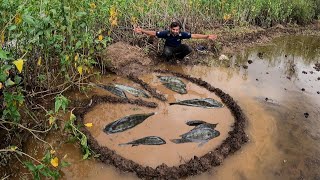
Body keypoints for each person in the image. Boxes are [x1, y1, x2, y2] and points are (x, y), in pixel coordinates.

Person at [133, 22, 217, 61]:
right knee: (167, 53)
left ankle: (179, 58)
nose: (175, 31)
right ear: (170, 29)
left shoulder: (181, 34)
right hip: (168, 48)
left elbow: (194, 35)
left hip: (177, 47)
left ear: (179, 29)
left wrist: (207, 36)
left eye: (177, 29)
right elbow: (154, 33)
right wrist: (142, 30)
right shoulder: (166, 33)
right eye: (174, 29)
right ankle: (169, 61)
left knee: (188, 48)